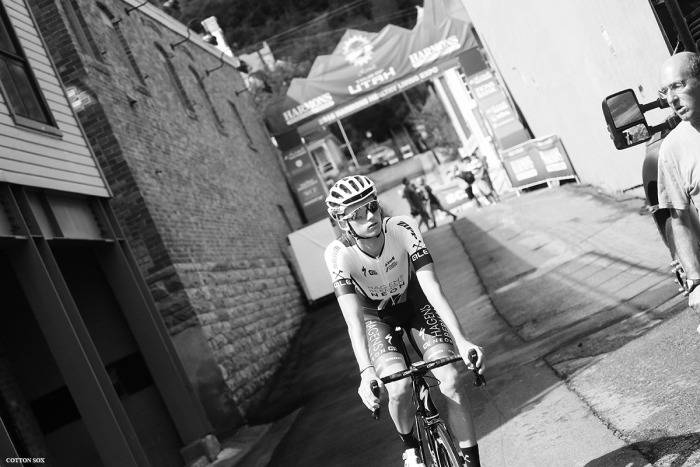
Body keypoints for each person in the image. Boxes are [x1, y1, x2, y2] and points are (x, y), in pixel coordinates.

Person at [324, 175, 485, 467]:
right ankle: (410, 448)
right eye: (357, 214)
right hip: (376, 318)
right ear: (342, 221)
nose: (369, 216)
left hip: (415, 304)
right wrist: (366, 373)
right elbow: (354, 320)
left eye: (372, 206)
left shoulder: (401, 226)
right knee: (397, 388)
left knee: (450, 379)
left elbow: (432, 288)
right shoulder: (338, 254)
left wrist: (461, 340)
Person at [657, 51, 700, 315]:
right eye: (665, 91)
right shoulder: (671, 149)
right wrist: (696, 282)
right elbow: (680, 220)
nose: (672, 99)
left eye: (677, 85)